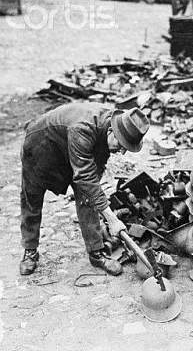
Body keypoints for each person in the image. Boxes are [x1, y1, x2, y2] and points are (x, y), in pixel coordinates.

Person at [19, 103, 150, 276]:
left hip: (71, 146)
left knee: (88, 197)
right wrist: (111, 219)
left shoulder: (110, 127)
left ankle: (96, 253)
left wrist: (98, 198)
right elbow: (85, 176)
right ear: (112, 131)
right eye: (122, 145)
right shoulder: (83, 128)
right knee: (32, 198)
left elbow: (95, 172)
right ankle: (30, 251)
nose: (122, 152)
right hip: (40, 148)